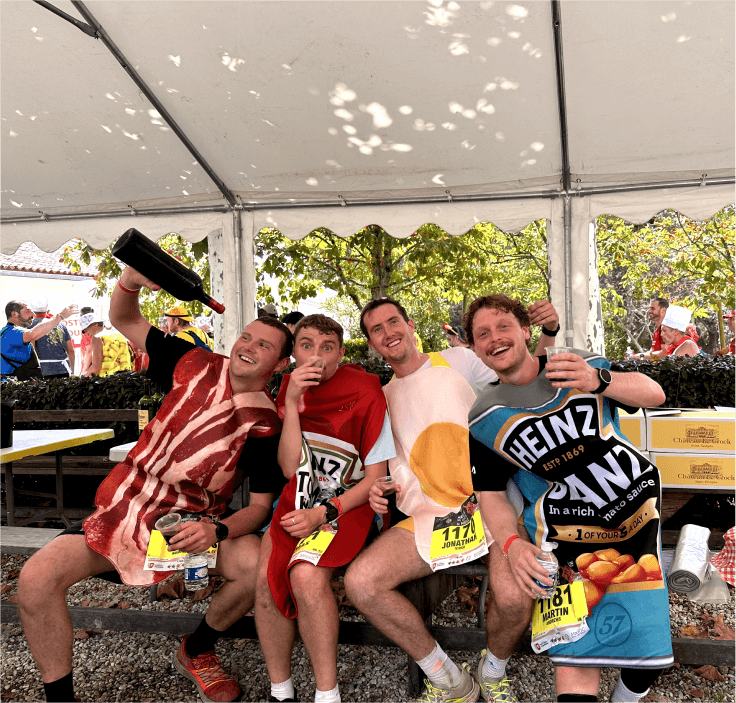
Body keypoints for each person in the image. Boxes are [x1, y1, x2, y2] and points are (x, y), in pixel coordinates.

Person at [17, 266, 294, 703]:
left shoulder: (267, 424)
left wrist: (215, 530)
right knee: (34, 580)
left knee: (259, 566)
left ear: (279, 364)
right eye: (246, 336)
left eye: (264, 344)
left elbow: (260, 509)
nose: (248, 347)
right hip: (125, 513)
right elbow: (124, 318)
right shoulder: (191, 360)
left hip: (190, 530)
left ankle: (197, 650)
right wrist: (131, 280)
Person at [344, 296, 560, 703]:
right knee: (362, 583)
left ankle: (492, 670)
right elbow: (379, 465)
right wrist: (376, 488)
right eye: (377, 329)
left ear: (410, 325)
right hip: (428, 514)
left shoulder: (458, 359)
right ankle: (447, 678)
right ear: (371, 343)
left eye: (394, 322)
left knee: (515, 596)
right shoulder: (380, 396)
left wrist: (547, 334)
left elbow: (522, 375)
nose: (389, 332)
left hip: (493, 501)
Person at [463, 294, 672, 703]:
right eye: (482, 334)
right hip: (564, 540)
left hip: (634, 524)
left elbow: (654, 394)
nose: (494, 338)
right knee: (576, 659)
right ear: (473, 348)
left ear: (526, 331)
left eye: (503, 326)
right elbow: (489, 495)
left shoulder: (572, 364)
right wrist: (511, 544)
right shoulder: (484, 416)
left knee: (650, 655)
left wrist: (600, 381)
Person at [255, 313, 394, 703]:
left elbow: (374, 479)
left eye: (327, 347)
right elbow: (288, 467)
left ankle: (326, 693)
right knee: (267, 579)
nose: (316, 356)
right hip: (297, 499)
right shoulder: (288, 388)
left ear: (341, 353)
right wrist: (294, 404)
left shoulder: (367, 389)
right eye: (306, 345)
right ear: (293, 352)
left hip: (349, 506)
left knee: (305, 577)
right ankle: (280, 690)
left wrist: (325, 512)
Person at [1, 301, 77, 381]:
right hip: (13, 387)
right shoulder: (9, 332)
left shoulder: (14, 331)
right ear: (14, 314)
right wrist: (60, 317)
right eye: (28, 310)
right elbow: (32, 334)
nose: (33, 314)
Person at [29, 296, 75, 379]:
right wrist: (72, 370)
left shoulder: (30, 328)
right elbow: (71, 350)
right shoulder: (61, 325)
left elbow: (31, 353)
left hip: (43, 371)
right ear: (48, 310)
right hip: (63, 370)